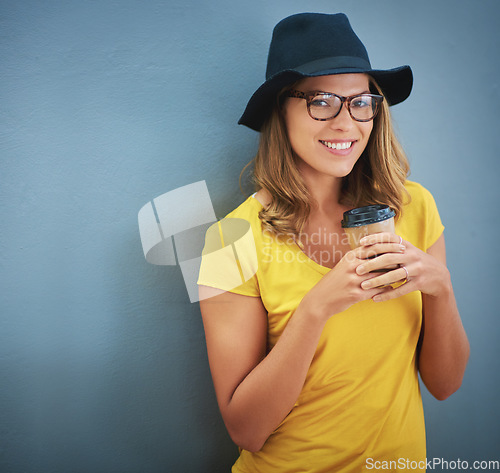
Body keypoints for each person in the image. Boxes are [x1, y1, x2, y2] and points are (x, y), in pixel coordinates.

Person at [197, 12, 469, 473]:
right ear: (280, 110)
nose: (347, 123)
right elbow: (245, 429)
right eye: (322, 101)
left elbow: (445, 385)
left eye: (361, 102)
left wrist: (440, 287)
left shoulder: (415, 207)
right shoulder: (229, 240)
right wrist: (315, 308)